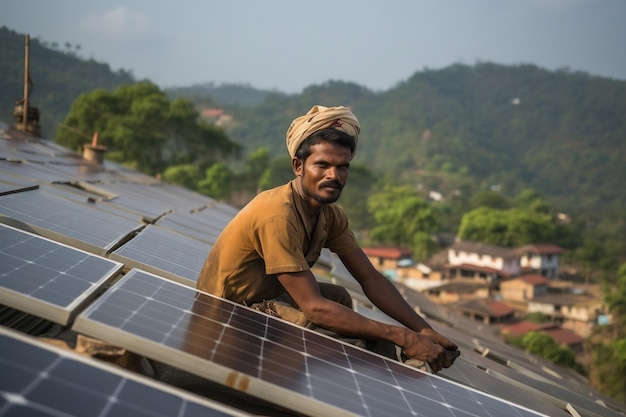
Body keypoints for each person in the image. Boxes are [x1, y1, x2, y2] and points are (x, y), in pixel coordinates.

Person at [197, 105, 459, 373]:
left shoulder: (329, 215)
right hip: (227, 316)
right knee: (357, 343)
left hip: (265, 300)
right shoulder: (276, 214)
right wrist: (404, 337)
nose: (333, 176)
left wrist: (422, 328)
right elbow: (314, 308)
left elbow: (370, 277)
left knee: (339, 298)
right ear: (298, 166)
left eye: (342, 167)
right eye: (322, 165)